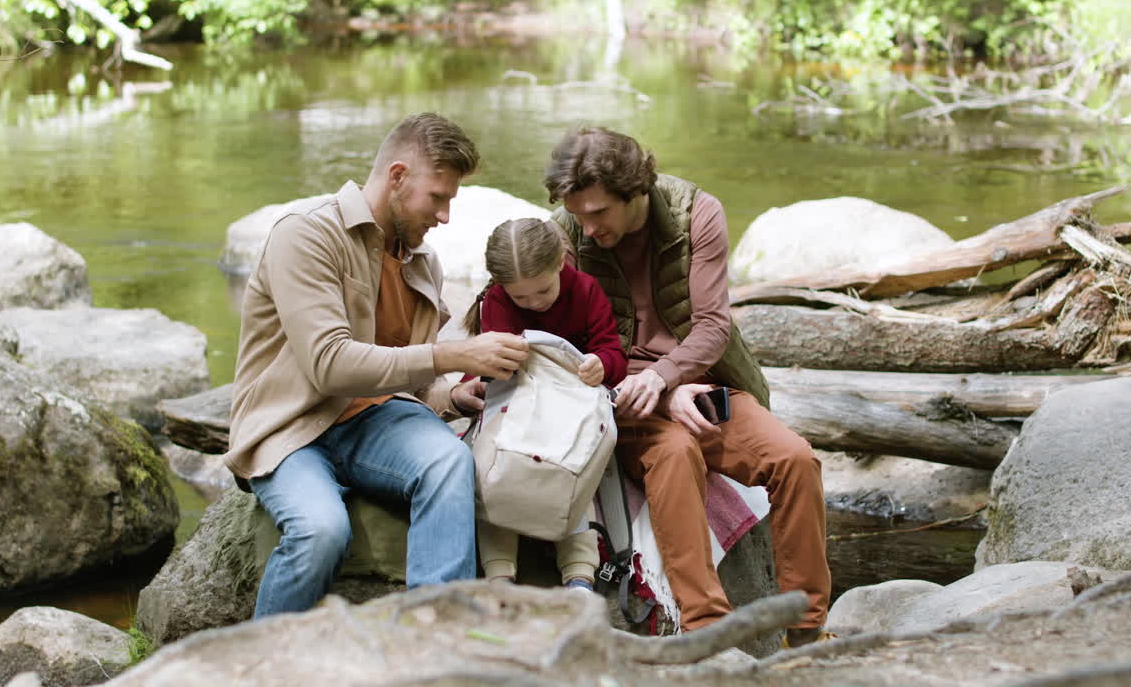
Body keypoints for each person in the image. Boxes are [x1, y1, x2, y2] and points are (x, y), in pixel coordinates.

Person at [226, 113, 529, 618]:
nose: (445, 215)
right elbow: (330, 365)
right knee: (322, 530)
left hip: (375, 422)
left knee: (449, 462)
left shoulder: (421, 262)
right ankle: (261, 665)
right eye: (438, 197)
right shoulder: (306, 236)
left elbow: (411, 376)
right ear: (397, 177)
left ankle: (431, 644)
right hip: (291, 427)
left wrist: (450, 395)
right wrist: (454, 354)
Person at [544, 126, 833, 647]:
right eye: (577, 214)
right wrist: (649, 384)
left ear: (635, 194)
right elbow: (563, 344)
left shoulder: (696, 212)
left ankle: (808, 633)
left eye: (598, 214)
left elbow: (713, 328)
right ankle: (708, 635)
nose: (585, 229)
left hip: (702, 388)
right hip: (618, 396)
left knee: (795, 460)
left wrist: (667, 377)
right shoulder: (562, 231)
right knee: (675, 454)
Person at [462, 217, 627, 590]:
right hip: (517, 406)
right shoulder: (497, 302)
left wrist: (602, 365)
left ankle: (581, 573)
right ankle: (499, 571)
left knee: (574, 478)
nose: (534, 303)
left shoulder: (585, 290)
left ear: (560, 263)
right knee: (492, 476)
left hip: (572, 410)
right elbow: (491, 369)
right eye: (522, 297)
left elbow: (613, 353)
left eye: (542, 292)